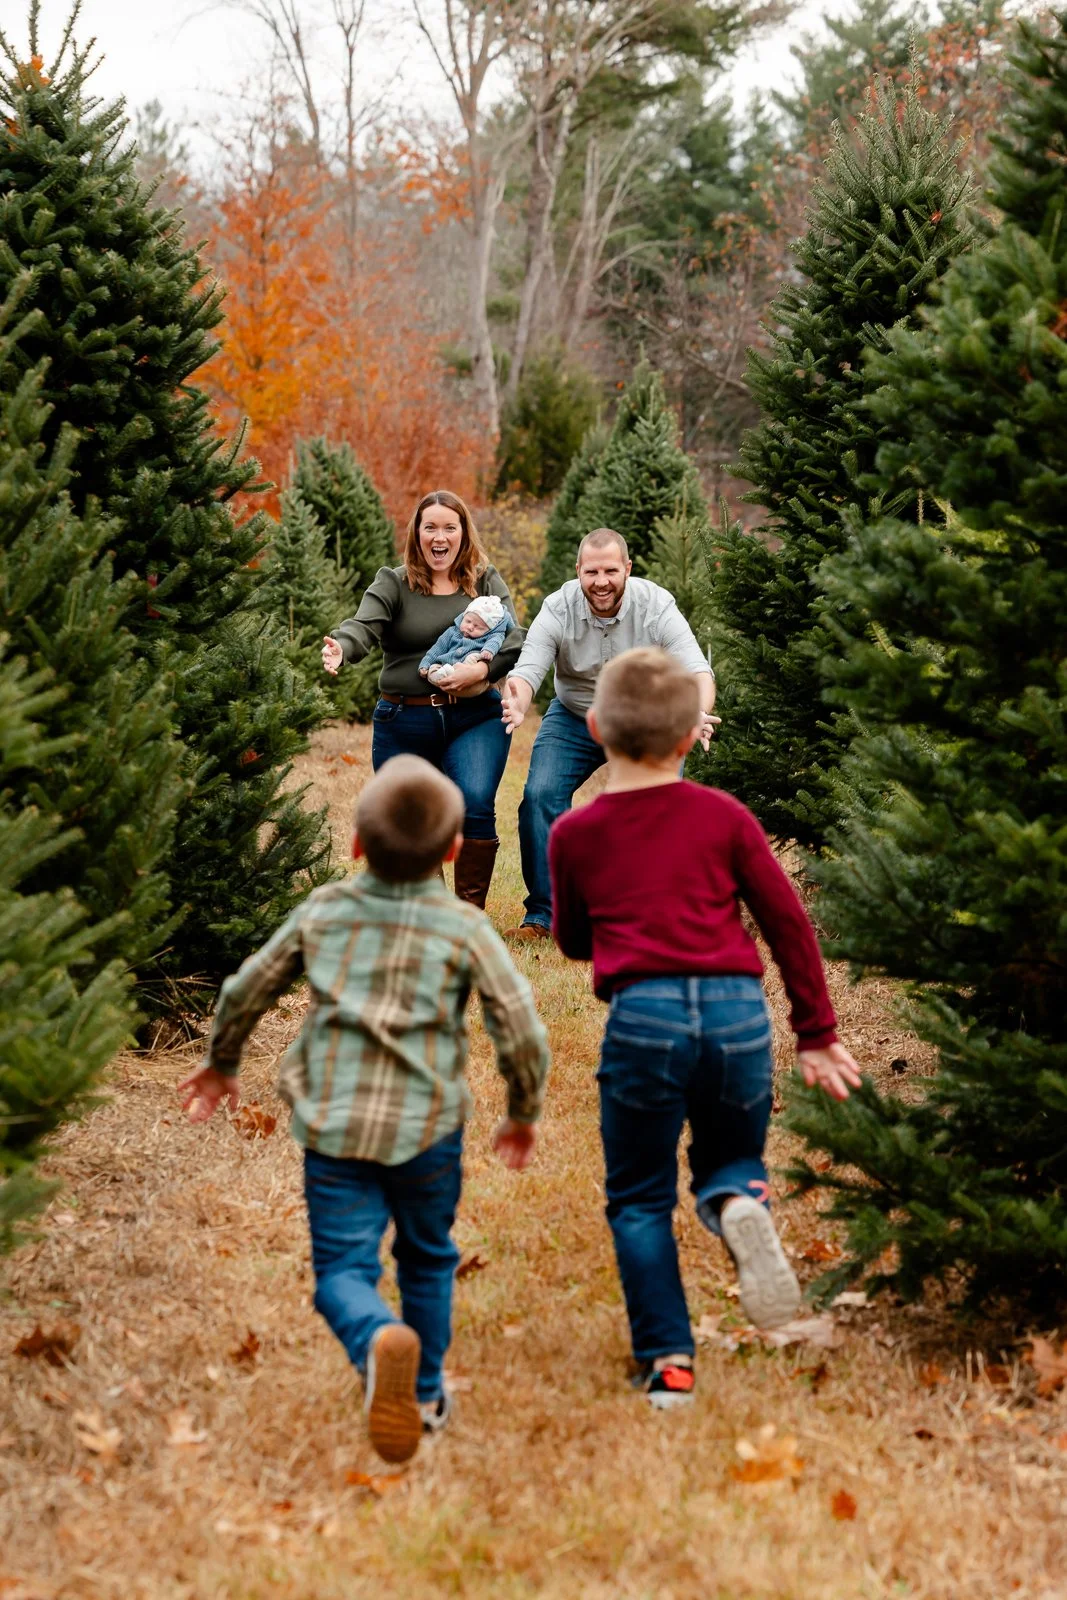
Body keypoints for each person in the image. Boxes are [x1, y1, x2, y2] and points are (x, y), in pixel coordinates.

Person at [178, 755, 550, 1465]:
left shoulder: (325, 910)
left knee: (343, 1274)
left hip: (336, 1127)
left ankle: (376, 1339)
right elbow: (520, 1026)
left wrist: (222, 1064)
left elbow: (245, 990)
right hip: (427, 1130)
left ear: (355, 844)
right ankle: (427, 1393)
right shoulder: (464, 929)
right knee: (428, 1257)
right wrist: (521, 1110)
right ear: (450, 851)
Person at [548, 648, 861, 1410]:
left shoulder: (575, 834)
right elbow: (788, 925)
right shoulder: (725, 818)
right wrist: (815, 1032)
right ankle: (735, 1205)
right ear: (691, 735)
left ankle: (669, 1367)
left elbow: (573, 941)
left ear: (593, 727)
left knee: (639, 1197)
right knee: (725, 1161)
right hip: (735, 1015)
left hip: (644, 1017)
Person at [502, 527, 717, 939]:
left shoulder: (656, 605)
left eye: (611, 571)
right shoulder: (558, 607)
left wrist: (696, 711)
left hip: (646, 721)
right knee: (538, 796)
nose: (601, 582)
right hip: (574, 717)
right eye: (592, 572)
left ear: (628, 569)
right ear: (578, 570)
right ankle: (545, 914)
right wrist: (518, 698)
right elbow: (530, 668)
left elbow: (697, 670)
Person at [321, 490, 523, 911]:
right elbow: (364, 625)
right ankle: (429, 913)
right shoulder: (393, 582)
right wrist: (342, 646)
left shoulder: (485, 581)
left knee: (475, 803)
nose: (439, 537)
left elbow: (515, 639)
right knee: (413, 820)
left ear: (463, 533)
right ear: (417, 533)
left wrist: (480, 671)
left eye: (450, 527)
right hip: (404, 719)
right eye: (430, 527)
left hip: (475, 717)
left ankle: (468, 915)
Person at [419, 594, 510, 688]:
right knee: (432, 670)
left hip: (469, 671)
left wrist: (489, 650)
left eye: (478, 627)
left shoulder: (490, 635)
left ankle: (459, 678)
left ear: (488, 630)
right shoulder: (452, 632)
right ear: (463, 617)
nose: (470, 627)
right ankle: (442, 677)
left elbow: (495, 641)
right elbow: (437, 648)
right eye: (468, 621)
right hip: (445, 665)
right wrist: (426, 663)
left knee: (474, 657)